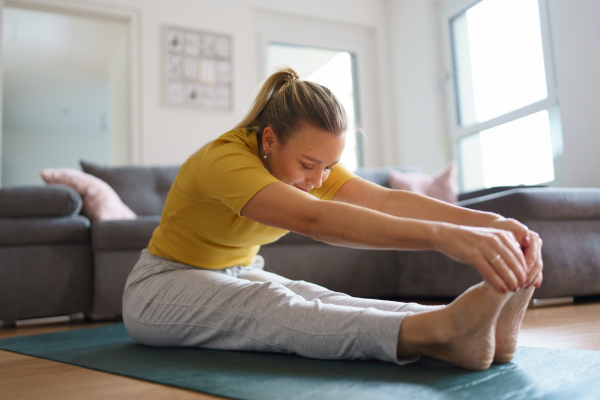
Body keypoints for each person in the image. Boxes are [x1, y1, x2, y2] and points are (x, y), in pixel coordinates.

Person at [122, 67, 543, 371]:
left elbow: (382, 201)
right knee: (271, 306)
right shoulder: (224, 160)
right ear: (269, 140)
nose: (318, 179)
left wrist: (487, 224)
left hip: (238, 270)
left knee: (319, 297)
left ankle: (470, 328)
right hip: (162, 283)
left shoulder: (311, 163)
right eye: (309, 165)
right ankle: (440, 332)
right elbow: (317, 220)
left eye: (329, 166)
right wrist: (443, 237)